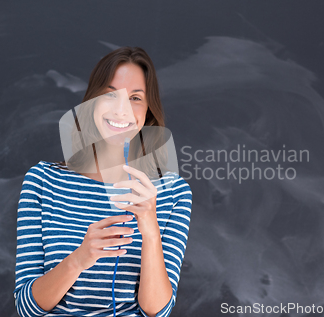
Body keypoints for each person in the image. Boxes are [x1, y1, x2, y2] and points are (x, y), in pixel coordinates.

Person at [14, 47, 192, 317]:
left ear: (147, 111)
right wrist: (80, 258)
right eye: (110, 95)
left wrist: (150, 229)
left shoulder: (173, 192)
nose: (122, 110)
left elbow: (158, 312)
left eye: (135, 98)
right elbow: (26, 308)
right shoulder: (43, 181)